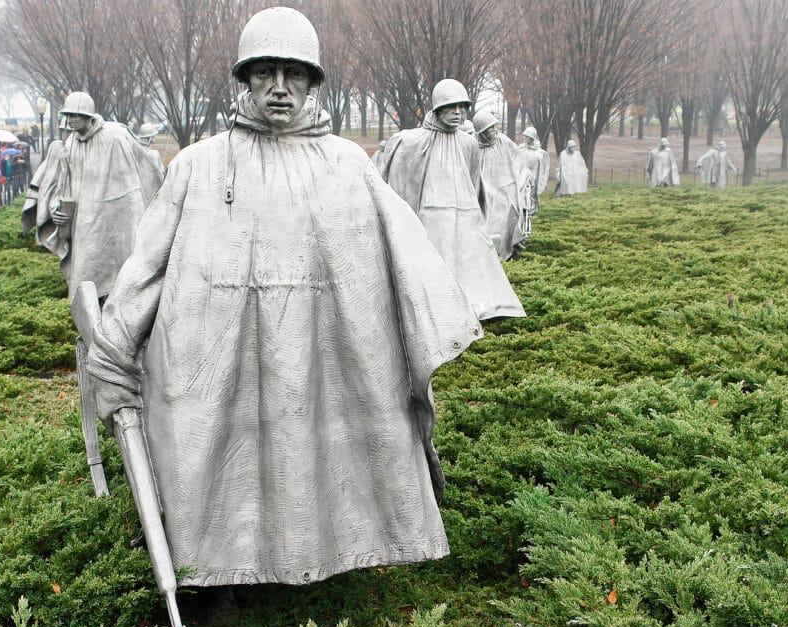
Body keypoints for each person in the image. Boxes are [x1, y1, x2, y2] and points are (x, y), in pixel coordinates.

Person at [85, 6, 483, 590]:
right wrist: (114, 347)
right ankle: (211, 573)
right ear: (244, 81)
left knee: (316, 444)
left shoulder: (348, 165)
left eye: (293, 74)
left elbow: (407, 261)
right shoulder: (198, 166)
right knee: (220, 456)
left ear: (312, 82)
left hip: (321, 352)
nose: (278, 88)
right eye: (264, 72)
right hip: (217, 359)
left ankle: (333, 554)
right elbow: (146, 266)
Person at [376, 78, 524, 321]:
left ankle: (477, 311)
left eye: (462, 108)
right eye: (451, 107)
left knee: (472, 269)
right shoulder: (413, 141)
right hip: (431, 214)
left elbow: (474, 182)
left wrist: (475, 217)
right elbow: (398, 184)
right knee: (434, 272)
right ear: (437, 109)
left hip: (466, 214)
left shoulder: (468, 143)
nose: (458, 113)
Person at [42, 91, 166, 299]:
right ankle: (90, 325)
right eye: (68, 115)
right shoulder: (71, 142)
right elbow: (65, 183)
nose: (70, 120)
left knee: (123, 276)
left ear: (89, 116)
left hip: (118, 217)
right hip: (84, 222)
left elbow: (144, 160)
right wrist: (56, 207)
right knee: (85, 278)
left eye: (75, 115)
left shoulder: (114, 134)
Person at [473, 110, 529, 261]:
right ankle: (492, 258)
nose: (494, 130)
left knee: (508, 221)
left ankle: (509, 254)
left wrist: (519, 181)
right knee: (489, 224)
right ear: (482, 131)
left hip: (506, 191)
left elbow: (518, 159)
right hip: (486, 193)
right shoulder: (473, 145)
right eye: (490, 128)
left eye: (494, 126)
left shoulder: (502, 140)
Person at [518, 126, 549, 214]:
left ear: (532, 137)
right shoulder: (521, 149)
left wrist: (542, 183)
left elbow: (543, 170)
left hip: (534, 178)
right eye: (524, 136)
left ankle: (532, 210)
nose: (525, 138)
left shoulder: (540, 153)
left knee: (532, 196)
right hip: (522, 177)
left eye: (527, 136)